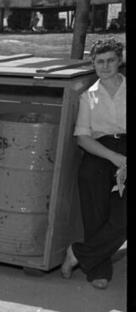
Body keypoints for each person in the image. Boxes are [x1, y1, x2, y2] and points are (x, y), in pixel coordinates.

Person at [61, 38, 126, 289]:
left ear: (120, 61)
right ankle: (99, 271)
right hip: (99, 152)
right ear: (94, 64)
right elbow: (83, 138)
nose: (105, 66)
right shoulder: (88, 96)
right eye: (100, 61)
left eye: (111, 60)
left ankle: (78, 253)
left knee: (122, 218)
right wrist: (115, 158)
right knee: (95, 212)